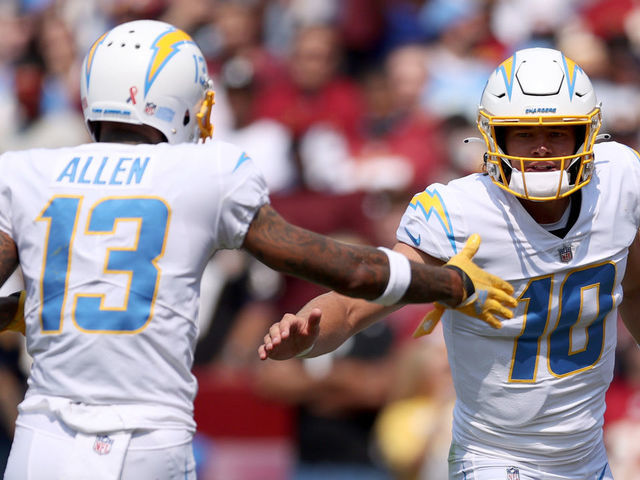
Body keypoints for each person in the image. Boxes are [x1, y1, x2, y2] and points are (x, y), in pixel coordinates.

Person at [0, 20, 516, 480]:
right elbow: (352, 272)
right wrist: (453, 283)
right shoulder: (208, 173)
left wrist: (31, 311)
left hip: (42, 440)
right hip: (147, 440)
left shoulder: (23, 171)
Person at [259, 46, 640, 479]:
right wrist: (309, 333)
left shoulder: (621, 181)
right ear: (493, 137)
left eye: (556, 133)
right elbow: (358, 301)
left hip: (588, 458)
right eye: (523, 134)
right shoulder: (459, 212)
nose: (540, 149)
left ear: (585, 135)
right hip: (497, 459)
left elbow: (638, 285)